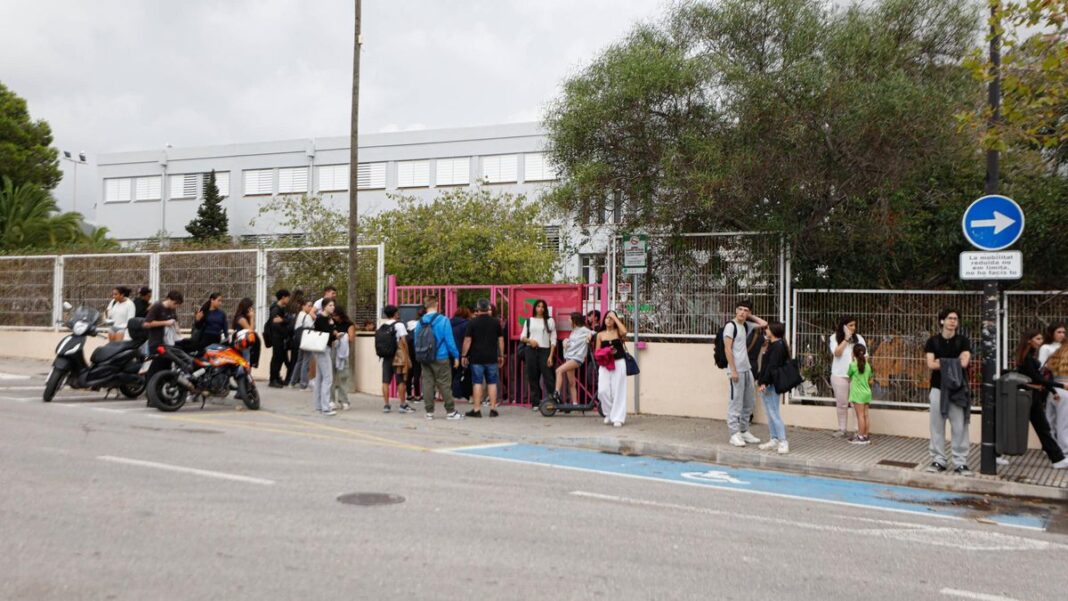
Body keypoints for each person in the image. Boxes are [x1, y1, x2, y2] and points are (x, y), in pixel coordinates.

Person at [924, 308, 972, 475]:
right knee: (936, 425)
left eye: (955, 319)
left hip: (958, 389)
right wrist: (954, 362)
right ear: (942, 321)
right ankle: (938, 460)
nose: (953, 321)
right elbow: (930, 364)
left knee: (959, 425)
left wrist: (941, 362)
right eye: (950, 318)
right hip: (937, 388)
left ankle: (960, 462)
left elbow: (965, 362)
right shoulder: (932, 342)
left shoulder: (963, 341)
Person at [1015, 330, 1068, 468]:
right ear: (1029, 340)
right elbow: (1038, 378)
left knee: (1043, 427)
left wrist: (1052, 390)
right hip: (1027, 396)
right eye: (1037, 339)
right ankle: (1057, 458)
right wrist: (1060, 385)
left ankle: (1057, 459)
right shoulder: (1026, 358)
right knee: (1040, 427)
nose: (1040, 342)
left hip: (1032, 396)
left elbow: (1039, 379)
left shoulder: (1030, 356)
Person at [724, 299, 768, 447]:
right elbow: (728, 349)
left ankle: (744, 431)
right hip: (736, 370)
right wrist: (733, 370)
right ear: (736, 310)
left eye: (745, 310)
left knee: (749, 402)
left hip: (747, 369)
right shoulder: (731, 326)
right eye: (740, 309)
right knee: (735, 403)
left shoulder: (746, 325)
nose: (742, 312)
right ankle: (733, 434)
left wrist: (750, 316)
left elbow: (764, 324)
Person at [413, 296, 463, 420]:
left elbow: (416, 341)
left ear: (425, 306)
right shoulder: (443, 320)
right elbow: (449, 340)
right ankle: (450, 411)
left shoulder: (420, 322)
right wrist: (456, 356)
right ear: (436, 303)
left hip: (424, 357)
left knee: (428, 383)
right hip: (441, 356)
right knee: (444, 384)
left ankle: (429, 412)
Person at [462, 298, 505, 418]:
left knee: (477, 382)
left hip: (476, 357)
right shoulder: (496, 322)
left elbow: (468, 340)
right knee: (492, 382)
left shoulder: (472, 322)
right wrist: (501, 354)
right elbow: (500, 340)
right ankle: (493, 409)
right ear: (488, 308)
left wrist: (464, 355)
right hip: (492, 357)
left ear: (478, 308)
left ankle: (476, 409)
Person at [143, 290, 184, 404]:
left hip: (169, 344)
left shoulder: (172, 309)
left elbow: (175, 322)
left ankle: (162, 397)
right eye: (175, 304)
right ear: (169, 299)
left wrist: (178, 332)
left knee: (166, 369)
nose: (175, 306)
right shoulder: (157, 307)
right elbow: (147, 323)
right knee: (155, 371)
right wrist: (165, 323)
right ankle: (151, 397)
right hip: (157, 344)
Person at [755, 322, 790, 453]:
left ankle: (782, 441)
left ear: (774, 331)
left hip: (771, 384)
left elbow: (772, 367)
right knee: (770, 413)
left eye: (768, 328)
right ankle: (774, 439)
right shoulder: (773, 344)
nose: (766, 330)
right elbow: (766, 365)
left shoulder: (778, 346)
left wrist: (764, 382)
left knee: (774, 413)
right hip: (766, 383)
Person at [829, 315, 866, 438]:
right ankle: (842, 429)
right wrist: (846, 339)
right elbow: (837, 353)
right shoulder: (834, 337)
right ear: (844, 326)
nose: (853, 328)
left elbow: (866, 356)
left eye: (854, 325)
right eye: (850, 325)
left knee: (856, 403)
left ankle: (857, 430)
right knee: (842, 403)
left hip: (856, 376)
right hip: (839, 375)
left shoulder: (859, 338)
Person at [519, 299, 557, 410]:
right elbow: (522, 336)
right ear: (535, 308)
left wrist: (551, 356)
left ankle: (553, 402)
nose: (540, 309)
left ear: (545, 309)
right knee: (532, 377)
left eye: (542, 307)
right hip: (530, 350)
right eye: (538, 306)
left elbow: (553, 339)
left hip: (545, 351)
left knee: (548, 377)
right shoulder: (529, 320)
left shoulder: (549, 321)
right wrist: (530, 341)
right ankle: (535, 402)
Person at [594, 311, 628, 427]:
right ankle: (608, 413)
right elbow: (597, 352)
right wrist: (607, 351)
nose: (609, 320)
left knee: (618, 390)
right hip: (605, 364)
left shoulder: (618, 332)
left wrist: (615, 317)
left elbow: (625, 332)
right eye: (607, 317)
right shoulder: (600, 334)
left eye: (611, 318)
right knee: (603, 391)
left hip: (619, 363)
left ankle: (618, 417)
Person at [379, 305, 414, 414]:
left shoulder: (382, 325)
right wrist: (407, 355)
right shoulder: (399, 325)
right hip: (398, 357)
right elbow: (403, 341)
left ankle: (386, 405)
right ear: (395, 314)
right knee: (400, 381)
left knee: (385, 381)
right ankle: (402, 405)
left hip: (386, 357)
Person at [552, 312, 593, 406]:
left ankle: (556, 392)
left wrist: (590, 335)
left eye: (570, 319)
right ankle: (575, 403)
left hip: (576, 357)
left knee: (558, 370)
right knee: (572, 383)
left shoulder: (583, 329)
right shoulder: (574, 331)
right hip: (569, 357)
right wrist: (566, 341)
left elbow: (593, 332)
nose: (568, 320)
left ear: (574, 320)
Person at [310, 299, 341, 416]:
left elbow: (329, 335)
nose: (333, 307)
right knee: (328, 378)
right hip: (322, 350)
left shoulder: (326, 319)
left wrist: (335, 334)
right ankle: (325, 407)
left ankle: (319, 405)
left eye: (333, 305)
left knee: (320, 378)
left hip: (322, 349)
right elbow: (326, 334)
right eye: (330, 305)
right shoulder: (322, 319)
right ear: (324, 307)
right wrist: (333, 329)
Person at [846, 344, 874, 445]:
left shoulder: (853, 365)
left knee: (860, 416)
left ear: (854, 353)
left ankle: (860, 436)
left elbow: (849, 375)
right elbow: (871, 379)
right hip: (867, 393)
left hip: (858, 393)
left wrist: (851, 359)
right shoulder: (867, 365)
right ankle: (866, 436)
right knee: (866, 415)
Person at [331, 305, 356, 411]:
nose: (334, 317)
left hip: (342, 352)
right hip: (331, 350)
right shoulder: (330, 323)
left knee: (343, 377)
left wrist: (342, 336)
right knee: (330, 377)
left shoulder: (349, 324)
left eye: (335, 315)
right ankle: (331, 400)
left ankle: (344, 400)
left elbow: (351, 338)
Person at [1044, 344, 1068, 457]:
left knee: (1050, 422)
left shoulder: (1057, 353)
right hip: (1066, 391)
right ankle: (1064, 451)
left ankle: (1050, 449)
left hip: (1053, 390)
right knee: (1064, 424)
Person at [267, 289, 292, 388]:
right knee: (276, 359)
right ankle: (273, 379)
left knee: (280, 358)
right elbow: (275, 324)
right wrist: (285, 322)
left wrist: (284, 320)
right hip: (277, 337)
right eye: (287, 297)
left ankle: (276, 377)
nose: (288, 299)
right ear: (283, 297)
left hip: (281, 337)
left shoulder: (281, 308)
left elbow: (286, 320)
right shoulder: (275, 309)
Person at [290, 299, 315, 389]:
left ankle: (292, 382)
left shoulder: (300, 315)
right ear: (303, 306)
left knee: (299, 361)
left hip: (300, 341)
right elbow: (312, 327)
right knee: (305, 361)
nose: (310, 307)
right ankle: (303, 384)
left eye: (311, 306)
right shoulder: (307, 317)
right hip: (306, 341)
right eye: (309, 305)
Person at [450, 306, 472, 403]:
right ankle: (461, 393)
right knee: (463, 373)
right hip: (461, 352)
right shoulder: (467, 324)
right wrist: (466, 354)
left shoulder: (449, 323)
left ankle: (451, 393)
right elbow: (467, 340)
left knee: (452, 373)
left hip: (449, 352)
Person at [405, 307, 425, 403]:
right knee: (417, 374)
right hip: (419, 351)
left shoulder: (410, 324)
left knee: (409, 374)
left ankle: (409, 395)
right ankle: (417, 395)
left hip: (409, 352)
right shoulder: (424, 325)